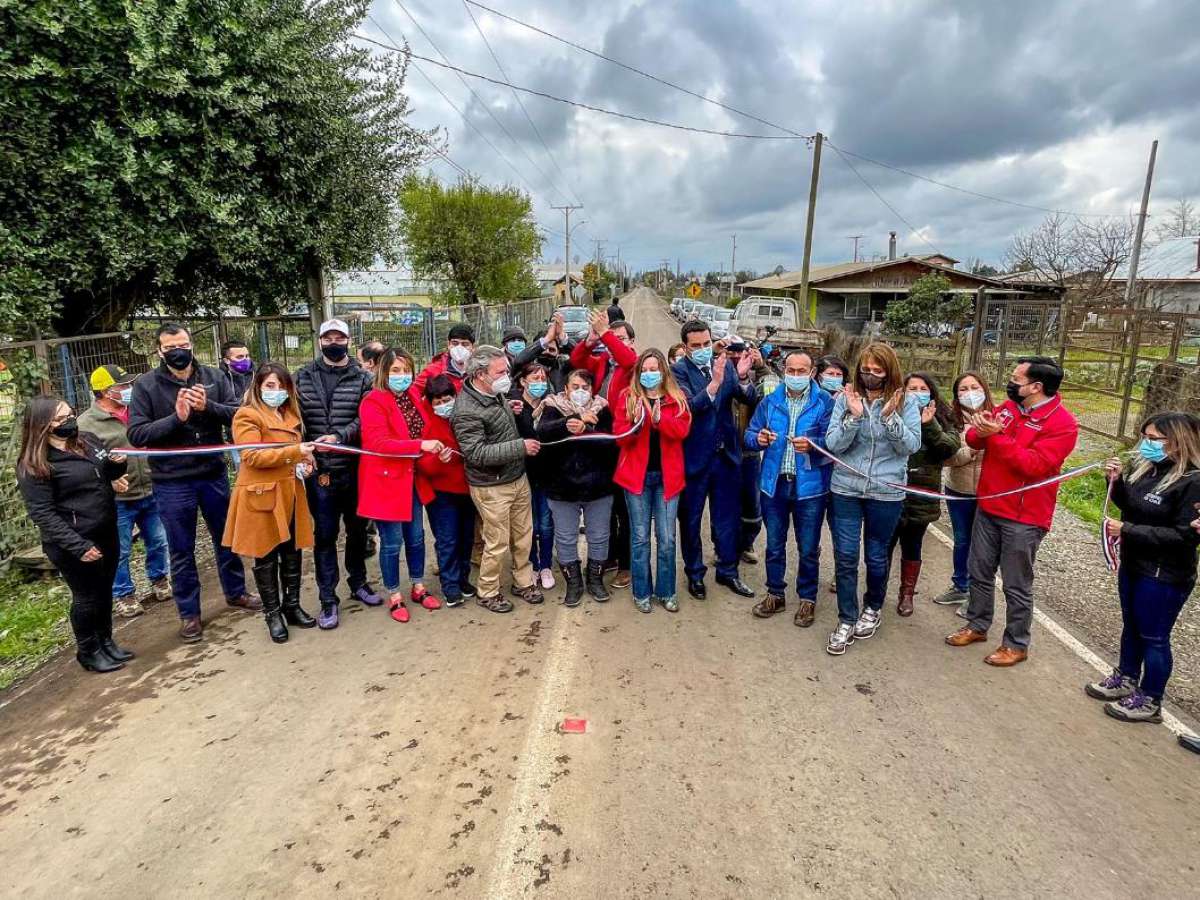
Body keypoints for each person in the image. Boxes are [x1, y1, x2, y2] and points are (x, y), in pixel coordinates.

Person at [128, 323, 258, 643]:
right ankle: (189, 614)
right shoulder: (146, 386)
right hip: (172, 481)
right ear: (160, 351)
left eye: (183, 344)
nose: (178, 351)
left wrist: (207, 407)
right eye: (171, 347)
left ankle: (236, 592)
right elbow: (137, 434)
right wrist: (178, 417)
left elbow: (237, 414)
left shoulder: (213, 377)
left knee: (226, 538)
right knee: (181, 548)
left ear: (191, 344)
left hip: (212, 474)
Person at [946, 356, 1079, 666]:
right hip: (989, 505)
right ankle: (977, 624)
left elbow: (1033, 466)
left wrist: (996, 436)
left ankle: (1016, 643)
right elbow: (973, 440)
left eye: (1016, 379)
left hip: (1024, 516)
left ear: (1036, 387)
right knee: (979, 571)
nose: (1010, 382)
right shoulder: (1007, 408)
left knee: (1016, 583)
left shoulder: (1062, 424)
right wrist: (980, 431)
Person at [1083, 413, 1200, 722]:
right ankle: (1126, 677)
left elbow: (1186, 535)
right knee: (1131, 626)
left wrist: (1128, 531)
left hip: (1165, 573)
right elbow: (1133, 507)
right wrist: (1117, 482)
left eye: (1154, 439)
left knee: (1155, 636)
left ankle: (1151, 699)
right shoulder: (1148, 469)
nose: (1147, 443)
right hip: (1134, 563)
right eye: (1145, 436)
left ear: (1177, 441)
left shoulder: (1193, 481)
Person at [17, 395, 132, 672]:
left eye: (70, 414)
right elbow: (43, 514)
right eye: (60, 419)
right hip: (73, 542)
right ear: (42, 425)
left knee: (104, 591)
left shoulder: (87, 441)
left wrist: (117, 465)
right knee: (86, 596)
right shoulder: (34, 465)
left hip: (105, 529)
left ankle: (106, 642)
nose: (69, 421)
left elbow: (104, 472)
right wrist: (78, 546)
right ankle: (88, 650)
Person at [824, 342, 921, 655]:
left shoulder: (904, 403)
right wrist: (852, 417)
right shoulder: (846, 398)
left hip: (886, 491)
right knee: (846, 554)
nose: (871, 375)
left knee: (876, 555)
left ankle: (873, 607)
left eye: (878, 370)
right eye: (866, 369)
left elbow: (910, 446)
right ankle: (846, 617)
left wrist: (890, 418)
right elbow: (833, 444)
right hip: (846, 489)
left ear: (889, 371)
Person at [223, 363, 317, 643]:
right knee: (265, 554)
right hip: (261, 495)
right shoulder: (247, 415)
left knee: (291, 550)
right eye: (270, 386)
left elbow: (294, 453)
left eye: (282, 386)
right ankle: (272, 613)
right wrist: (294, 453)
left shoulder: (289, 414)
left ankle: (292, 605)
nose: (277, 392)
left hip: (290, 492)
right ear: (258, 387)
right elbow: (252, 456)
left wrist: (304, 462)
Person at [295, 318, 380, 629]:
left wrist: (341, 436)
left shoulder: (362, 378)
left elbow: (367, 417)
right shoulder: (303, 376)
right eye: (328, 338)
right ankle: (327, 598)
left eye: (339, 338)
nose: (334, 343)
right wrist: (303, 448)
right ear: (320, 341)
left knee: (358, 531)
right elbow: (296, 418)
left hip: (355, 468)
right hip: (321, 472)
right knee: (325, 536)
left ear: (348, 341)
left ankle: (358, 583)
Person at [744, 349, 833, 626]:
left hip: (810, 488)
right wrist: (758, 438)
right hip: (774, 484)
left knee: (808, 547)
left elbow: (836, 442)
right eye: (791, 370)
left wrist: (814, 445)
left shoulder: (825, 402)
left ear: (812, 373)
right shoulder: (770, 401)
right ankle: (775, 593)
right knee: (773, 544)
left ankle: (807, 599)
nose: (795, 376)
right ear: (784, 371)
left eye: (801, 371)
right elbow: (749, 433)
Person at [451, 345, 543, 613]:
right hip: (492, 486)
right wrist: (520, 447)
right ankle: (488, 590)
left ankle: (523, 581)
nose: (506, 376)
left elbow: (494, 427)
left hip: (516, 477)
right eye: (501, 371)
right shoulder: (466, 409)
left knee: (524, 535)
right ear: (481, 374)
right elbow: (476, 453)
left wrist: (509, 409)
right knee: (497, 541)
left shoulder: (494, 394)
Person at [358, 348, 445, 623]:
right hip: (387, 482)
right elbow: (378, 443)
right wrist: (421, 445)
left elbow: (427, 431)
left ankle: (418, 586)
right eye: (395, 370)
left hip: (413, 479)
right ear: (383, 372)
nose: (402, 376)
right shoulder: (373, 401)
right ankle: (395, 595)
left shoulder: (412, 398)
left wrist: (435, 450)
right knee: (392, 542)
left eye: (406, 370)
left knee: (417, 537)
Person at [672, 320, 757, 600]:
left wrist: (743, 378)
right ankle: (695, 574)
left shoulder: (725, 365)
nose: (702, 349)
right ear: (685, 347)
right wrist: (715, 383)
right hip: (695, 459)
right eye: (695, 346)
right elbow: (688, 408)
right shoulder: (677, 372)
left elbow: (746, 398)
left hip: (726, 457)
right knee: (691, 520)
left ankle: (728, 571)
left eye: (706, 343)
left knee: (727, 519)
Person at [78, 364, 170, 618]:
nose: (129, 389)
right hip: (118, 499)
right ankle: (124, 594)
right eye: (123, 386)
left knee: (158, 540)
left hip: (150, 489)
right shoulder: (86, 425)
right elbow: (86, 466)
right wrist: (108, 482)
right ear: (106, 392)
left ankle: (160, 579)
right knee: (120, 550)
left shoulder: (138, 411)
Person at [614, 349, 691, 612]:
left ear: (663, 372)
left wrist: (660, 420)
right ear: (638, 373)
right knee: (640, 538)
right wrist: (636, 423)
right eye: (644, 370)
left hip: (668, 479)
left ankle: (666, 591)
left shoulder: (676, 398)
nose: (649, 374)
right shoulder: (628, 398)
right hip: (637, 478)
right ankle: (641, 592)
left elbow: (682, 430)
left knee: (667, 538)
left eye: (654, 369)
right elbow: (620, 438)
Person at [570, 311, 639, 589]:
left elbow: (627, 358)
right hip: (602, 443)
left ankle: (626, 564)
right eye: (611, 339)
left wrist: (608, 336)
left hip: (625, 443)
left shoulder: (633, 365)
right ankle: (608, 556)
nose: (613, 344)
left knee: (625, 510)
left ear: (631, 341)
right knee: (606, 506)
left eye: (621, 339)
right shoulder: (603, 363)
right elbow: (576, 362)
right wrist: (590, 340)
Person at [536, 369, 615, 606]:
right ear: (566, 389)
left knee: (599, 536)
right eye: (575, 387)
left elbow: (612, 445)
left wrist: (587, 429)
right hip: (562, 488)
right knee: (566, 538)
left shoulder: (602, 408)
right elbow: (543, 433)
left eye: (585, 387)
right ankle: (573, 583)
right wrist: (570, 423)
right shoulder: (553, 406)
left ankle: (595, 580)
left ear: (592, 390)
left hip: (598, 487)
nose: (580, 392)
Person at [887, 372, 960, 617]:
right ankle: (876, 591)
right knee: (883, 545)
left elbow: (948, 449)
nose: (917, 392)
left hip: (922, 493)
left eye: (922, 388)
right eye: (912, 388)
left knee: (912, 544)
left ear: (932, 392)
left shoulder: (942, 417)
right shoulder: (893, 412)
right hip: (891, 490)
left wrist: (930, 425)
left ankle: (907, 593)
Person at [935, 371, 994, 608]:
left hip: (989, 491)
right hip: (958, 489)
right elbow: (946, 456)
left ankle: (978, 595)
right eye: (963, 389)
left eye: (974, 387)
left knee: (984, 544)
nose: (970, 393)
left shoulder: (998, 415)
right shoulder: (950, 418)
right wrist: (970, 451)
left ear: (984, 388)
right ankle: (960, 585)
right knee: (961, 540)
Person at [418, 374, 476, 607]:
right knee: (447, 539)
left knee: (466, 537)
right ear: (430, 402)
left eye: (447, 399)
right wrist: (439, 460)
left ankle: (462, 579)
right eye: (438, 402)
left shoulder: (464, 418)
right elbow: (422, 464)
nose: (443, 405)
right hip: (442, 493)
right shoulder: (427, 423)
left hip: (468, 488)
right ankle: (450, 584)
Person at [513, 362, 555, 590]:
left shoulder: (552, 404)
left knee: (546, 524)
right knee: (526, 525)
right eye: (534, 378)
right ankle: (532, 564)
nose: (539, 383)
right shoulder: (515, 406)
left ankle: (546, 564)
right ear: (522, 381)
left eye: (543, 379)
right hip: (522, 475)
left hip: (547, 475)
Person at [726, 338, 768, 565]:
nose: (735, 356)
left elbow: (772, 391)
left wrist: (760, 366)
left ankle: (747, 542)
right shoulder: (718, 373)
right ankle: (724, 547)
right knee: (725, 504)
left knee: (752, 504)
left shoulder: (753, 377)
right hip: (723, 452)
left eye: (739, 351)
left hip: (749, 452)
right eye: (730, 351)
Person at [815, 354, 849, 598]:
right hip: (816, 473)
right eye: (830, 374)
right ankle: (811, 568)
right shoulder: (811, 398)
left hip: (841, 475)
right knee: (811, 526)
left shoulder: (850, 401)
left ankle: (841, 572)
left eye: (839, 375)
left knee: (840, 527)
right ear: (818, 375)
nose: (834, 378)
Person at [510, 315, 572, 393]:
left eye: (552, 350)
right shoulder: (526, 367)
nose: (547, 352)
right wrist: (547, 339)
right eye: (544, 349)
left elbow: (580, 358)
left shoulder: (563, 367)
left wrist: (564, 339)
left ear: (558, 352)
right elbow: (518, 361)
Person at [414, 324, 475, 395]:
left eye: (465, 344)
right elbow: (414, 393)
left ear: (473, 347)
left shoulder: (479, 372)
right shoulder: (433, 370)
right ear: (448, 344)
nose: (459, 348)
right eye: (455, 343)